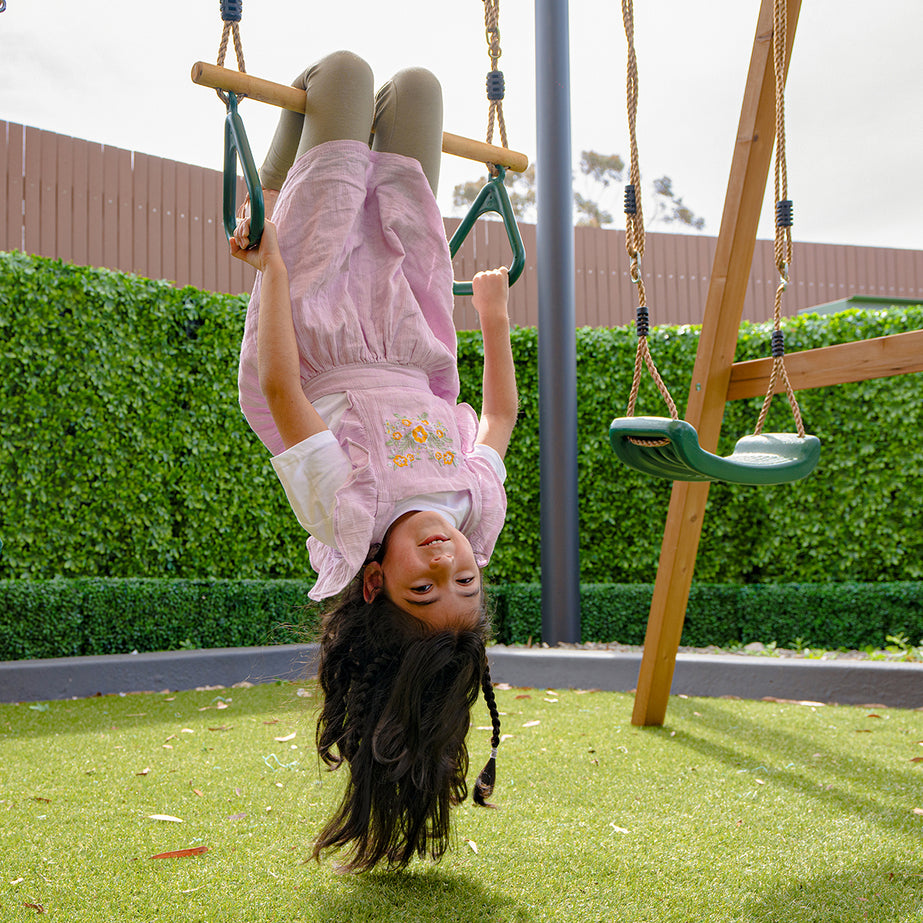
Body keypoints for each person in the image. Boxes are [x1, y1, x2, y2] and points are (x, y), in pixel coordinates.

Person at [230, 51, 518, 873]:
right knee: (423, 91)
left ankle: (284, 171)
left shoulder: (347, 514)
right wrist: (492, 316)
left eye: (420, 587)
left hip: (315, 320)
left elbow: (283, 393)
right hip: (411, 314)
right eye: (463, 582)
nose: (445, 561)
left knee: (347, 79)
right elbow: (498, 415)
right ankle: (331, 147)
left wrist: (276, 271)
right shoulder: (472, 509)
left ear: (373, 581)